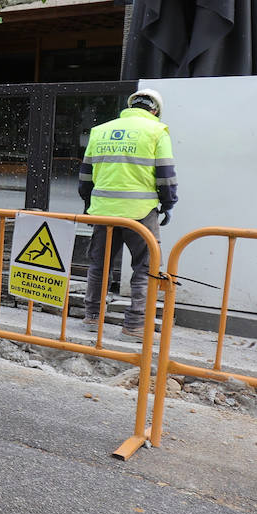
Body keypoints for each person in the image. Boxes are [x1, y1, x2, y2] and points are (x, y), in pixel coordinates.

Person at [77, 88, 176, 340]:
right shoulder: (157, 132)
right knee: (146, 268)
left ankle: (92, 318)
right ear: (155, 111)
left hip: (104, 213)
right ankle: (133, 327)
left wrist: (90, 204)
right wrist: (168, 203)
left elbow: (85, 177)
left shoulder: (100, 131)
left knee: (99, 266)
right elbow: (165, 176)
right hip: (141, 213)